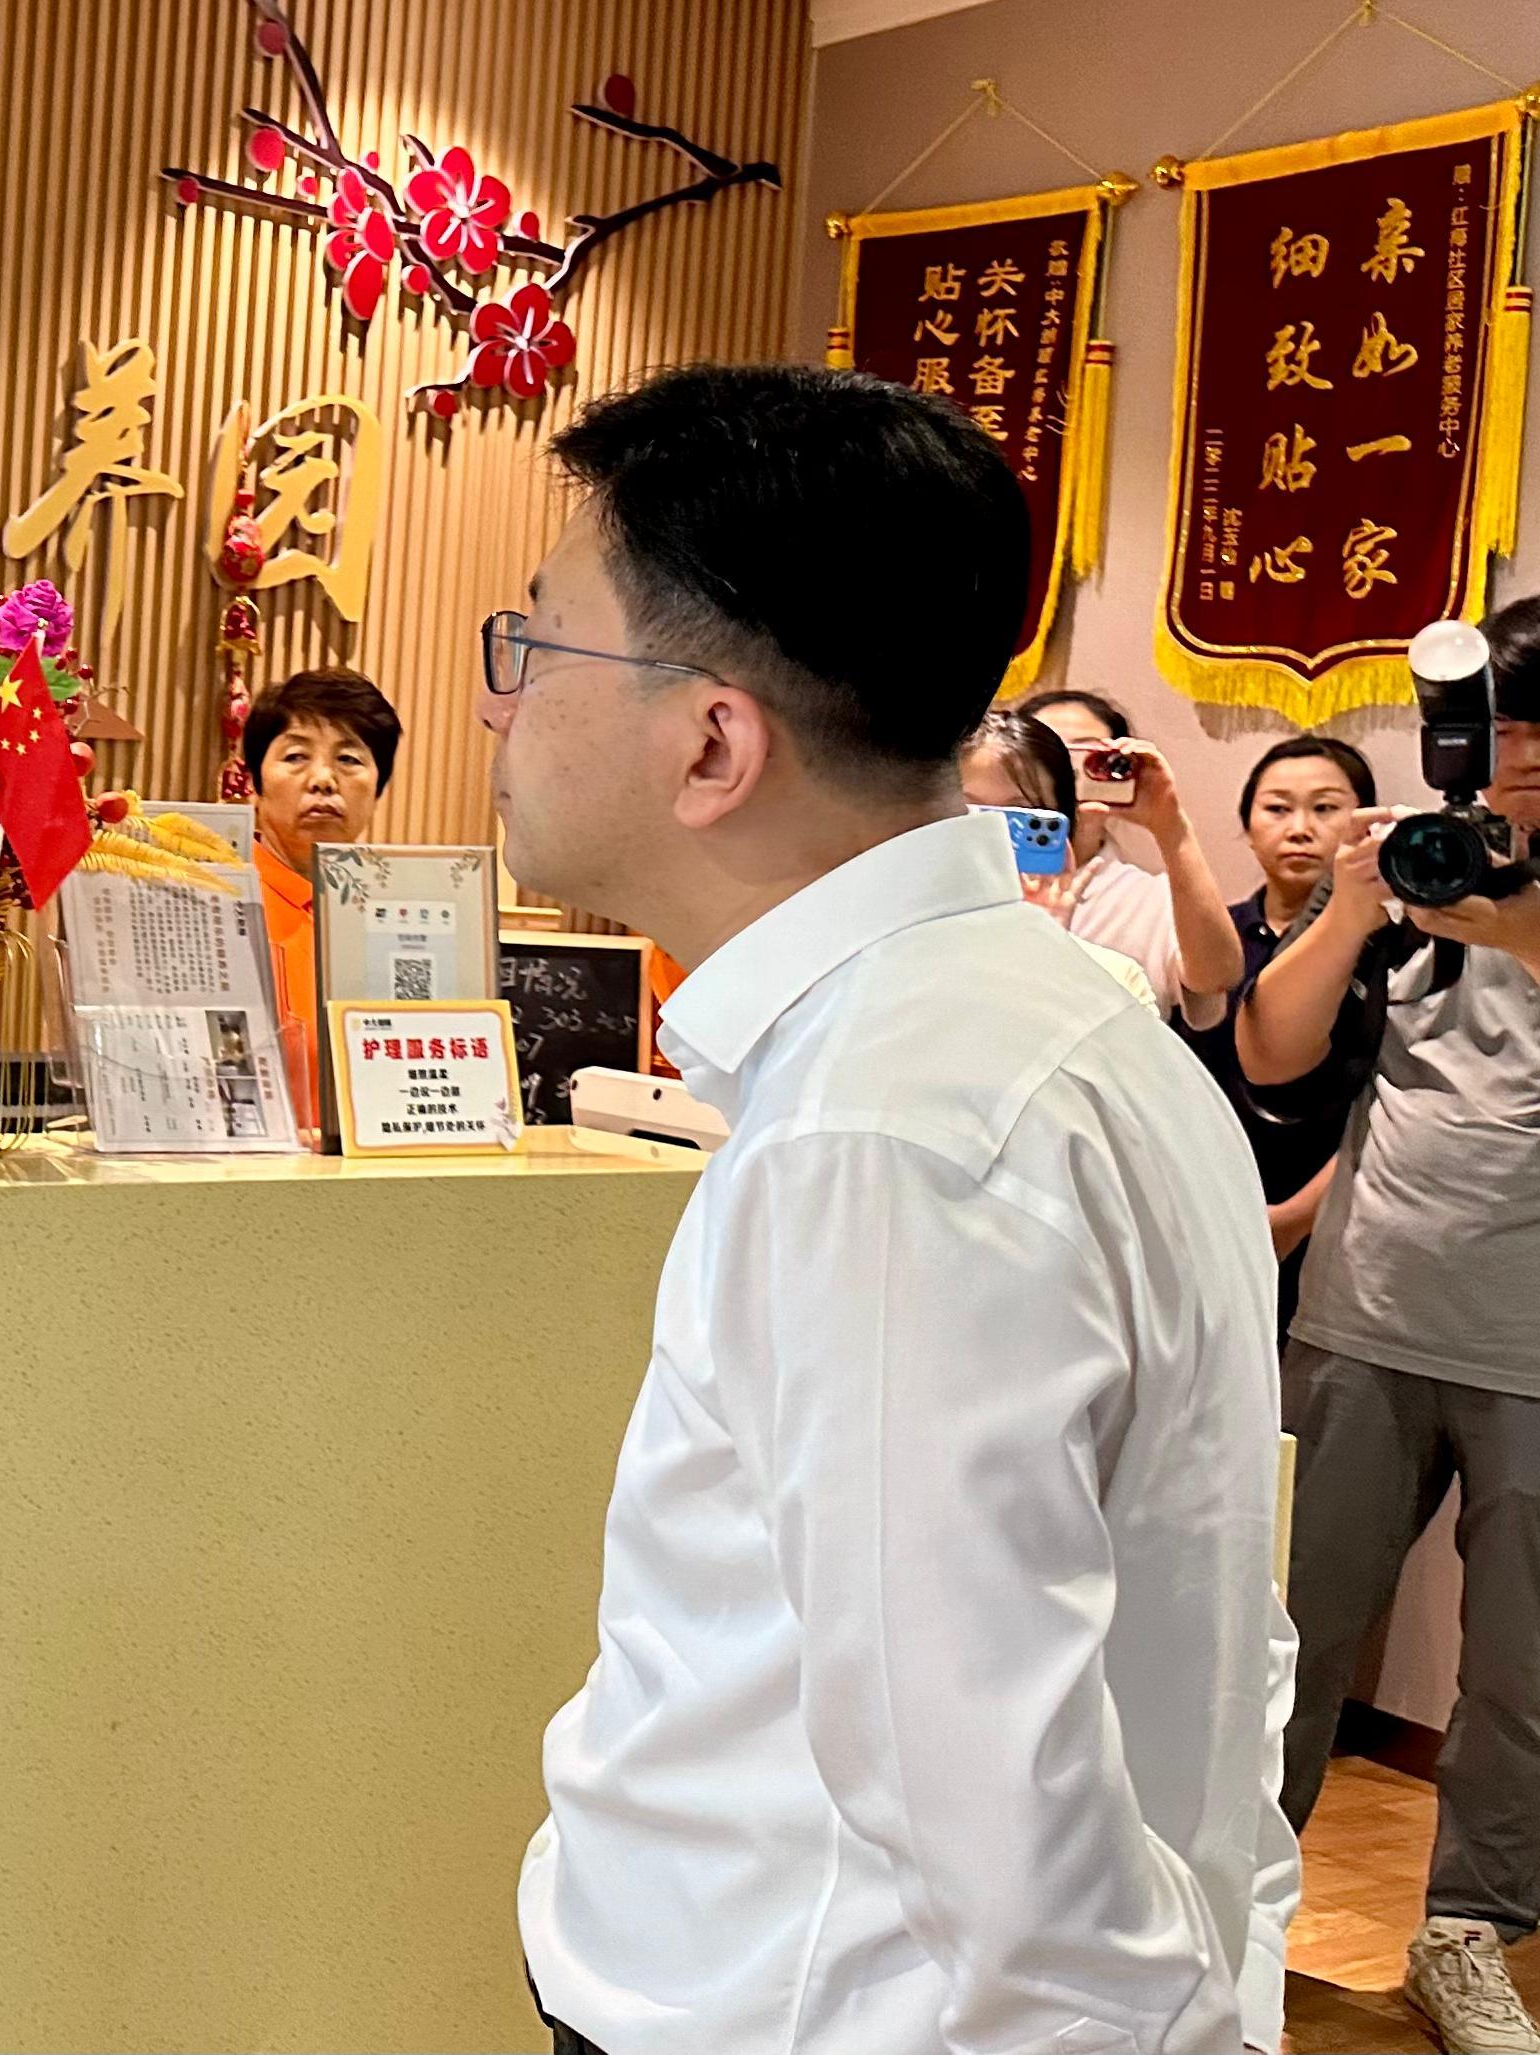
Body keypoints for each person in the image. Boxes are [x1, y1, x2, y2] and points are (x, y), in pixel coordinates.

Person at [491, 363, 1296, 2055]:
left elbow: (994, 1815)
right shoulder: (1054, 1025)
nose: (502, 702)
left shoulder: (886, 1129)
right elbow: (1217, 1633)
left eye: (540, 644)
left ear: (711, 740)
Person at [1240, 598, 1540, 2055]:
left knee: (1523, 1678)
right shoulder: (1427, 865)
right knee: (1286, 1631)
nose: (1520, 783)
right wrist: (1357, 906)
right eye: (1510, 748)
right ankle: (1231, 1909)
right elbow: (1271, 1046)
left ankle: (1469, 1934)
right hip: (1367, 1316)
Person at [1188, 734, 1379, 1328]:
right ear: (1247, 825)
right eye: (1277, 808)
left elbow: (1387, 1106)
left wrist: (1293, 1220)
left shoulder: (1390, 944)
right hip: (1214, 1211)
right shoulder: (1213, 938)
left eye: (1325, 809)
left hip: (1346, 1220)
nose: (1300, 828)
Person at [1019, 687, 1250, 1022]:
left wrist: (1170, 825)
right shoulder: (969, 875)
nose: (1065, 776)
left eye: (1089, 759)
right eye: (1045, 757)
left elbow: (1217, 978)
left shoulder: (1150, 898)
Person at [245, 666, 402, 1122]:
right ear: (255, 783)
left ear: (378, 788)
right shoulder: (213, 901)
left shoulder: (398, 918)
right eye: (296, 757)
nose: (323, 780)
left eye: (349, 759)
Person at [956, 709, 1166, 1010]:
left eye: (1022, 820)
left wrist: (1043, 955)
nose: (990, 839)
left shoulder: (1117, 980)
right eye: (968, 813)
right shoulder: (880, 951)